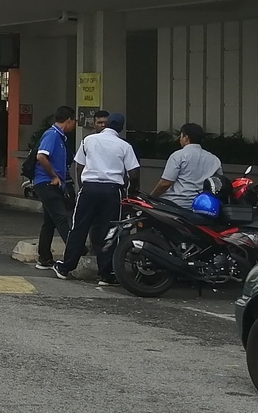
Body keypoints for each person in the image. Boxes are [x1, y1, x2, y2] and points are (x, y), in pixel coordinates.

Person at [55, 111, 140, 285]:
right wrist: (131, 191)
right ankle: (106, 274)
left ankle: (65, 267)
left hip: (89, 188)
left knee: (79, 227)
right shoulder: (124, 146)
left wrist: (82, 186)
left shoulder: (88, 140)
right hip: (112, 191)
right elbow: (134, 173)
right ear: (121, 128)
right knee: (108, 232)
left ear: (106, 124)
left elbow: (79, 165)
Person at [29, 106, 77, 268]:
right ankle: (76, 251)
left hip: (50, 183)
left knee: (49, 222)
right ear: (68, 120)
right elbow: (41, 156)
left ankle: (44, 258)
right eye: (74, 121)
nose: (74, 124)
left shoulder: (60, 137)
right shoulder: (52, 135)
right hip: (47, 183)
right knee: (61, 218)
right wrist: (54, 176)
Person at [152, 122, 223, 208]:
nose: (179, 139)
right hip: (202, 205)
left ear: (186, 137)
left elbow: (165, 183)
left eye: (181, 136)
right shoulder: (214, 159)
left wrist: (151, 197)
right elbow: (219, 183)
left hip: (175, 204)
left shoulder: (178, 156)